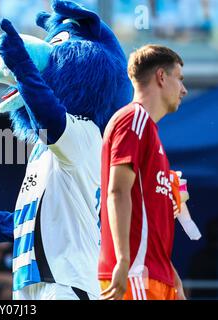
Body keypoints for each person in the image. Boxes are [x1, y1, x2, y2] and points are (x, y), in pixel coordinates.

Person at [98, 45, 188, 300]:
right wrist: (123, 261)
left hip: (154, 276)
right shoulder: (133, 119)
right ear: (161, 76)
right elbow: (117, 191)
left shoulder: (150, 131)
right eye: (179, 79)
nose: (184, 90)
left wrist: (172, 277)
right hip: (136, 275)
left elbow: (147, 222)